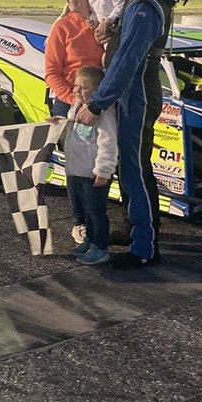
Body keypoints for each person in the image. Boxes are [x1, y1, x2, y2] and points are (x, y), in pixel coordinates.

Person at [76, 0, 185, 270]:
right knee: (128, 167)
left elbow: (129, 61)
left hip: (135, 94)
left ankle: (144, 247)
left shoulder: (146, 2)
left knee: (135, 169)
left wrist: (97, 102)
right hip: (130, 92)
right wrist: (109, 32)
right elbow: (124, 47)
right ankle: (134, 228)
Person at [61, 65, 118, 266]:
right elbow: (71, 130)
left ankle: (100, 247)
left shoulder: (104, 113)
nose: (77, 91)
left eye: (83, 88)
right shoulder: (76, 107)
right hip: (75, 171)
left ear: (97, 91)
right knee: (84, 212)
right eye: (76, 86)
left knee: (96, 212)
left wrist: (103, 171)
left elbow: (108, 144)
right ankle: (89, 240)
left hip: (92, 175)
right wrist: (57, 124)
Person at [44, 0, 103, 117]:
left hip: (100, 103)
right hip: (69, 103)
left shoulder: (105, 24)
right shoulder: (61, 27)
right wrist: (74, 101)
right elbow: (52, 74)